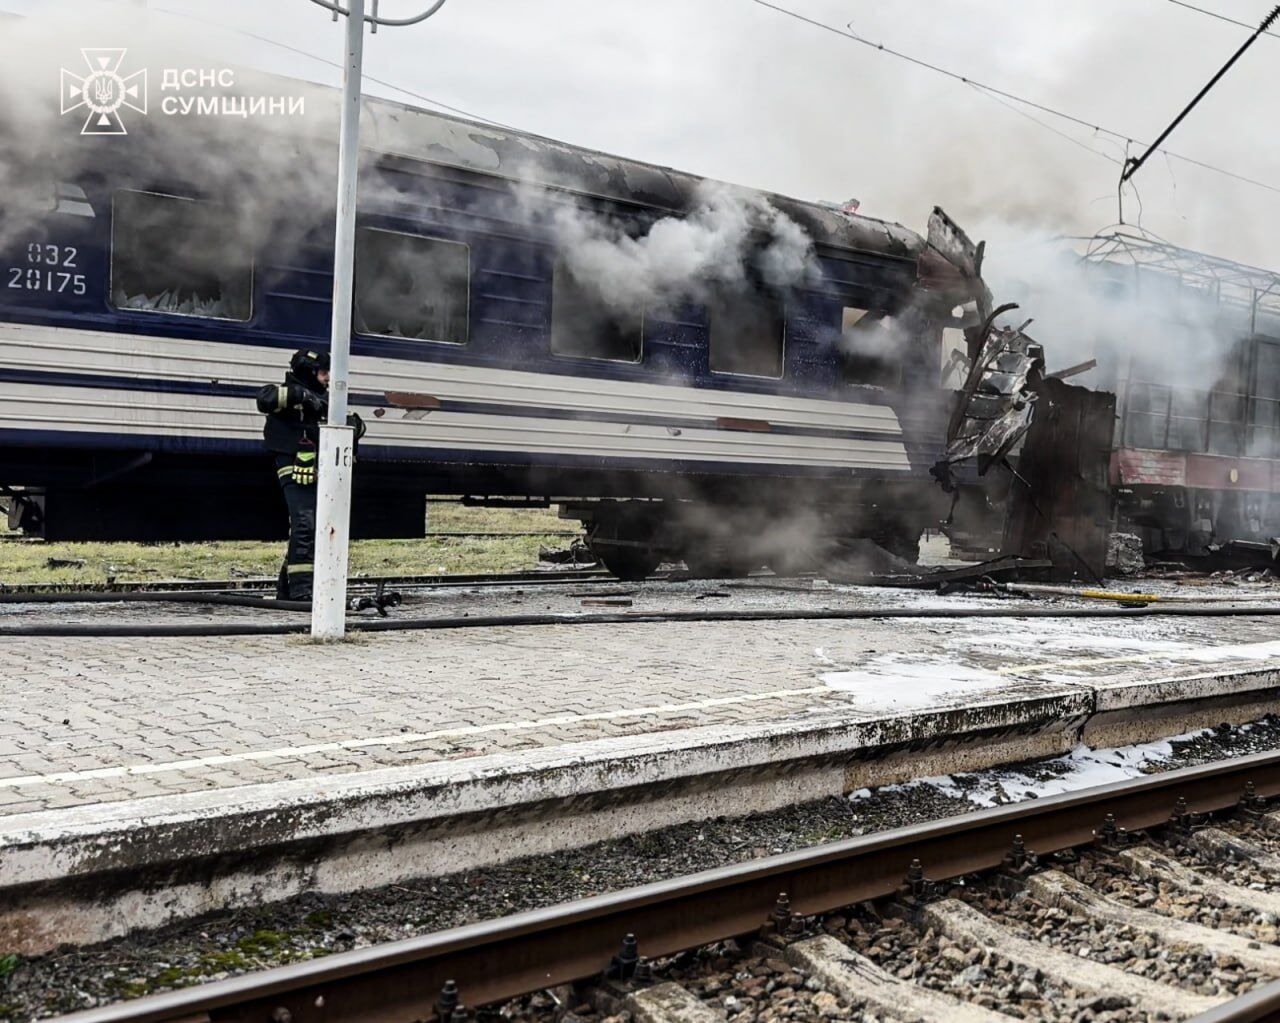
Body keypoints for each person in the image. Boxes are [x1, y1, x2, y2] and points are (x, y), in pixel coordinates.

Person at [255, 349, 364, 601]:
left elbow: (354, 426)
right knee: (305, 524)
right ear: (308, 372)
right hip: (292, 467)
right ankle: (301, 591)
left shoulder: (325, 400)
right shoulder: (289, 395)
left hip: (317, 470)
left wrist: (352, 425)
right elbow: (265, 399)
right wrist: (300, 395)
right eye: (324, 372)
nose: (328, 378)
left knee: (311, 527)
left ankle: (286, 590)